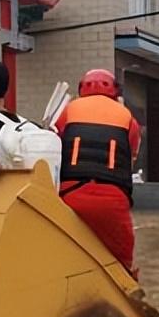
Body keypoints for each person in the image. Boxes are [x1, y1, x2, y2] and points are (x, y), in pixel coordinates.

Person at [54, 69, 141, 275]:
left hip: (69, 196)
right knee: (122, 265)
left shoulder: (67, 111)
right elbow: (130, 160)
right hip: (112, 200)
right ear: (115, 91)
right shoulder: (128, 117)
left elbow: (54, 148)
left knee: (64, 255)